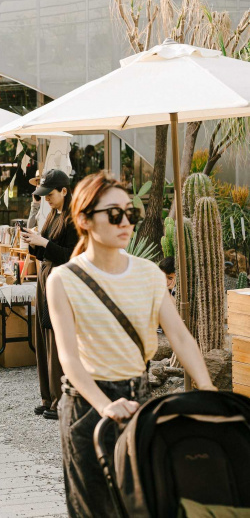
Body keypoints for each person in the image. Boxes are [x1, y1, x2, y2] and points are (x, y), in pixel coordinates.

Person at [46, 172, 216, 518]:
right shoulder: (63, 279)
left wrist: (209, 389)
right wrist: (103, 405)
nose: (126, 222)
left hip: (139, 401)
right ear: (83, 220)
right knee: (95, 510)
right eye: (114, 214)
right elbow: (68, 358)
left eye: (130, 213)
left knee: (142, 507)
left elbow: (180, 337)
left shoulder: (149, 274)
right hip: (86, 407)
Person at [21, 169, 78, 421]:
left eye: (50, 194)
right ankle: (47, 396)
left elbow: (73, 255)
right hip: (46, 280)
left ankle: (60, 399)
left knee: (56, 338)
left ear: (64, 191)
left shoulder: (73, 217)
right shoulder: (54, 214)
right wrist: (35, 243)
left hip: (61, 282)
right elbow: (45, 252)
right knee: (42, 336)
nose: (47, 199)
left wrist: (43, 243)